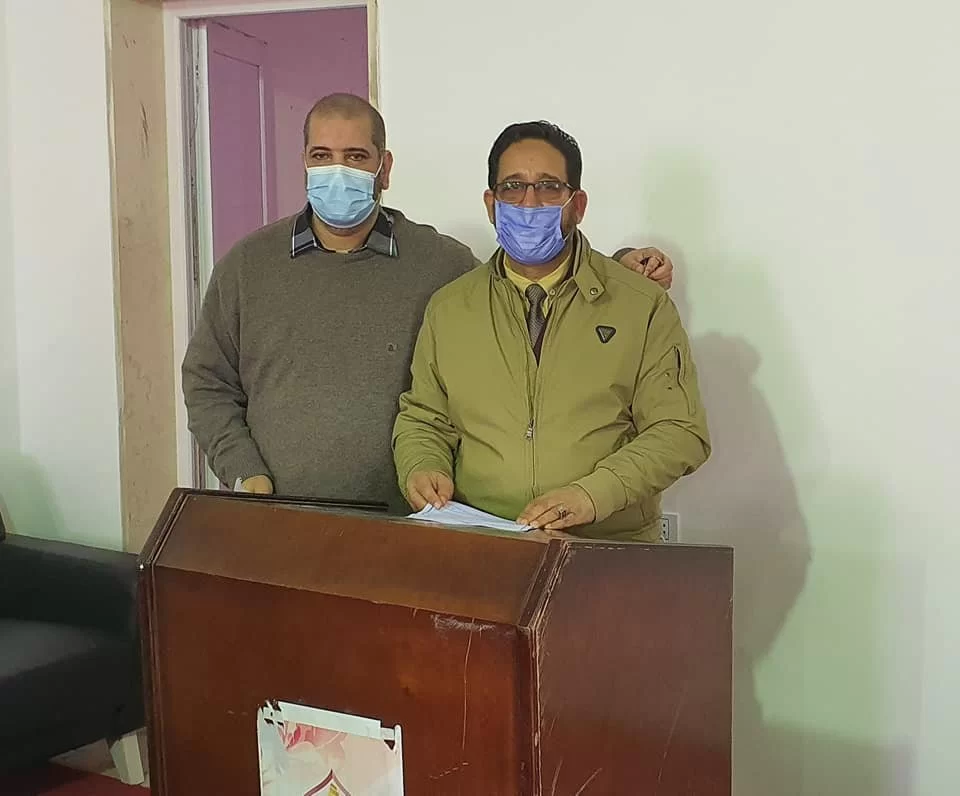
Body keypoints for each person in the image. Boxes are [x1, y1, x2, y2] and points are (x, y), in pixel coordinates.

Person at [182, 94, 676, 511]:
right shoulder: (247, 266)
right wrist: (245, 472)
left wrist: (620, 270)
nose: (338, 171)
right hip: (278, 518)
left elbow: (526, 275)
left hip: (410, 524)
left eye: (356, 156)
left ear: (384, 168)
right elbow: (207, 383)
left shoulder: (439, 263)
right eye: (322, 155)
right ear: (304, 163)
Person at [393, 121, 710, 541]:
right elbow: (424, 419)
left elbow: (680, 431)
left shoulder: (641, 305)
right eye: (512, 187)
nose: (529, 203)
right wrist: (422, 465)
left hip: (607, 548)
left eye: (548, 187)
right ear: (491, 204)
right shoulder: (450, 308)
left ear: (577, 205)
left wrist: (592, 495)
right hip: (484, 547)